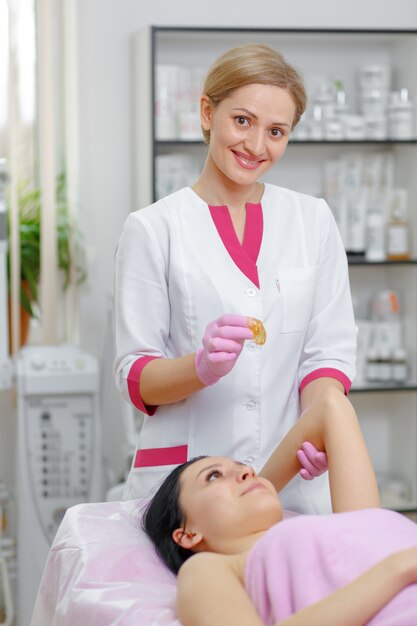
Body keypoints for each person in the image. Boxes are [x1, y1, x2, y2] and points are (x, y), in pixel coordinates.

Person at [113, 43, 356, 512]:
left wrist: (319, 428)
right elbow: (134, 376)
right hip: (189, 489)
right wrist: (198, 368)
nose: (256, 146)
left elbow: (327, 353)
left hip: (290, 481)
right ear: (207, 112)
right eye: (242, 121)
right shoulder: (153, 228)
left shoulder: (313, 220)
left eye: (277, 131)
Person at [142, 387, 417, 626]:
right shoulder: (209, 568)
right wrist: (399, 568)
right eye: (213, 476)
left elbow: (330, 405)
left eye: (243, 467)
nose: (247, 471)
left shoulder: (353, 524)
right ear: (188, 533)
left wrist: (262, 483)